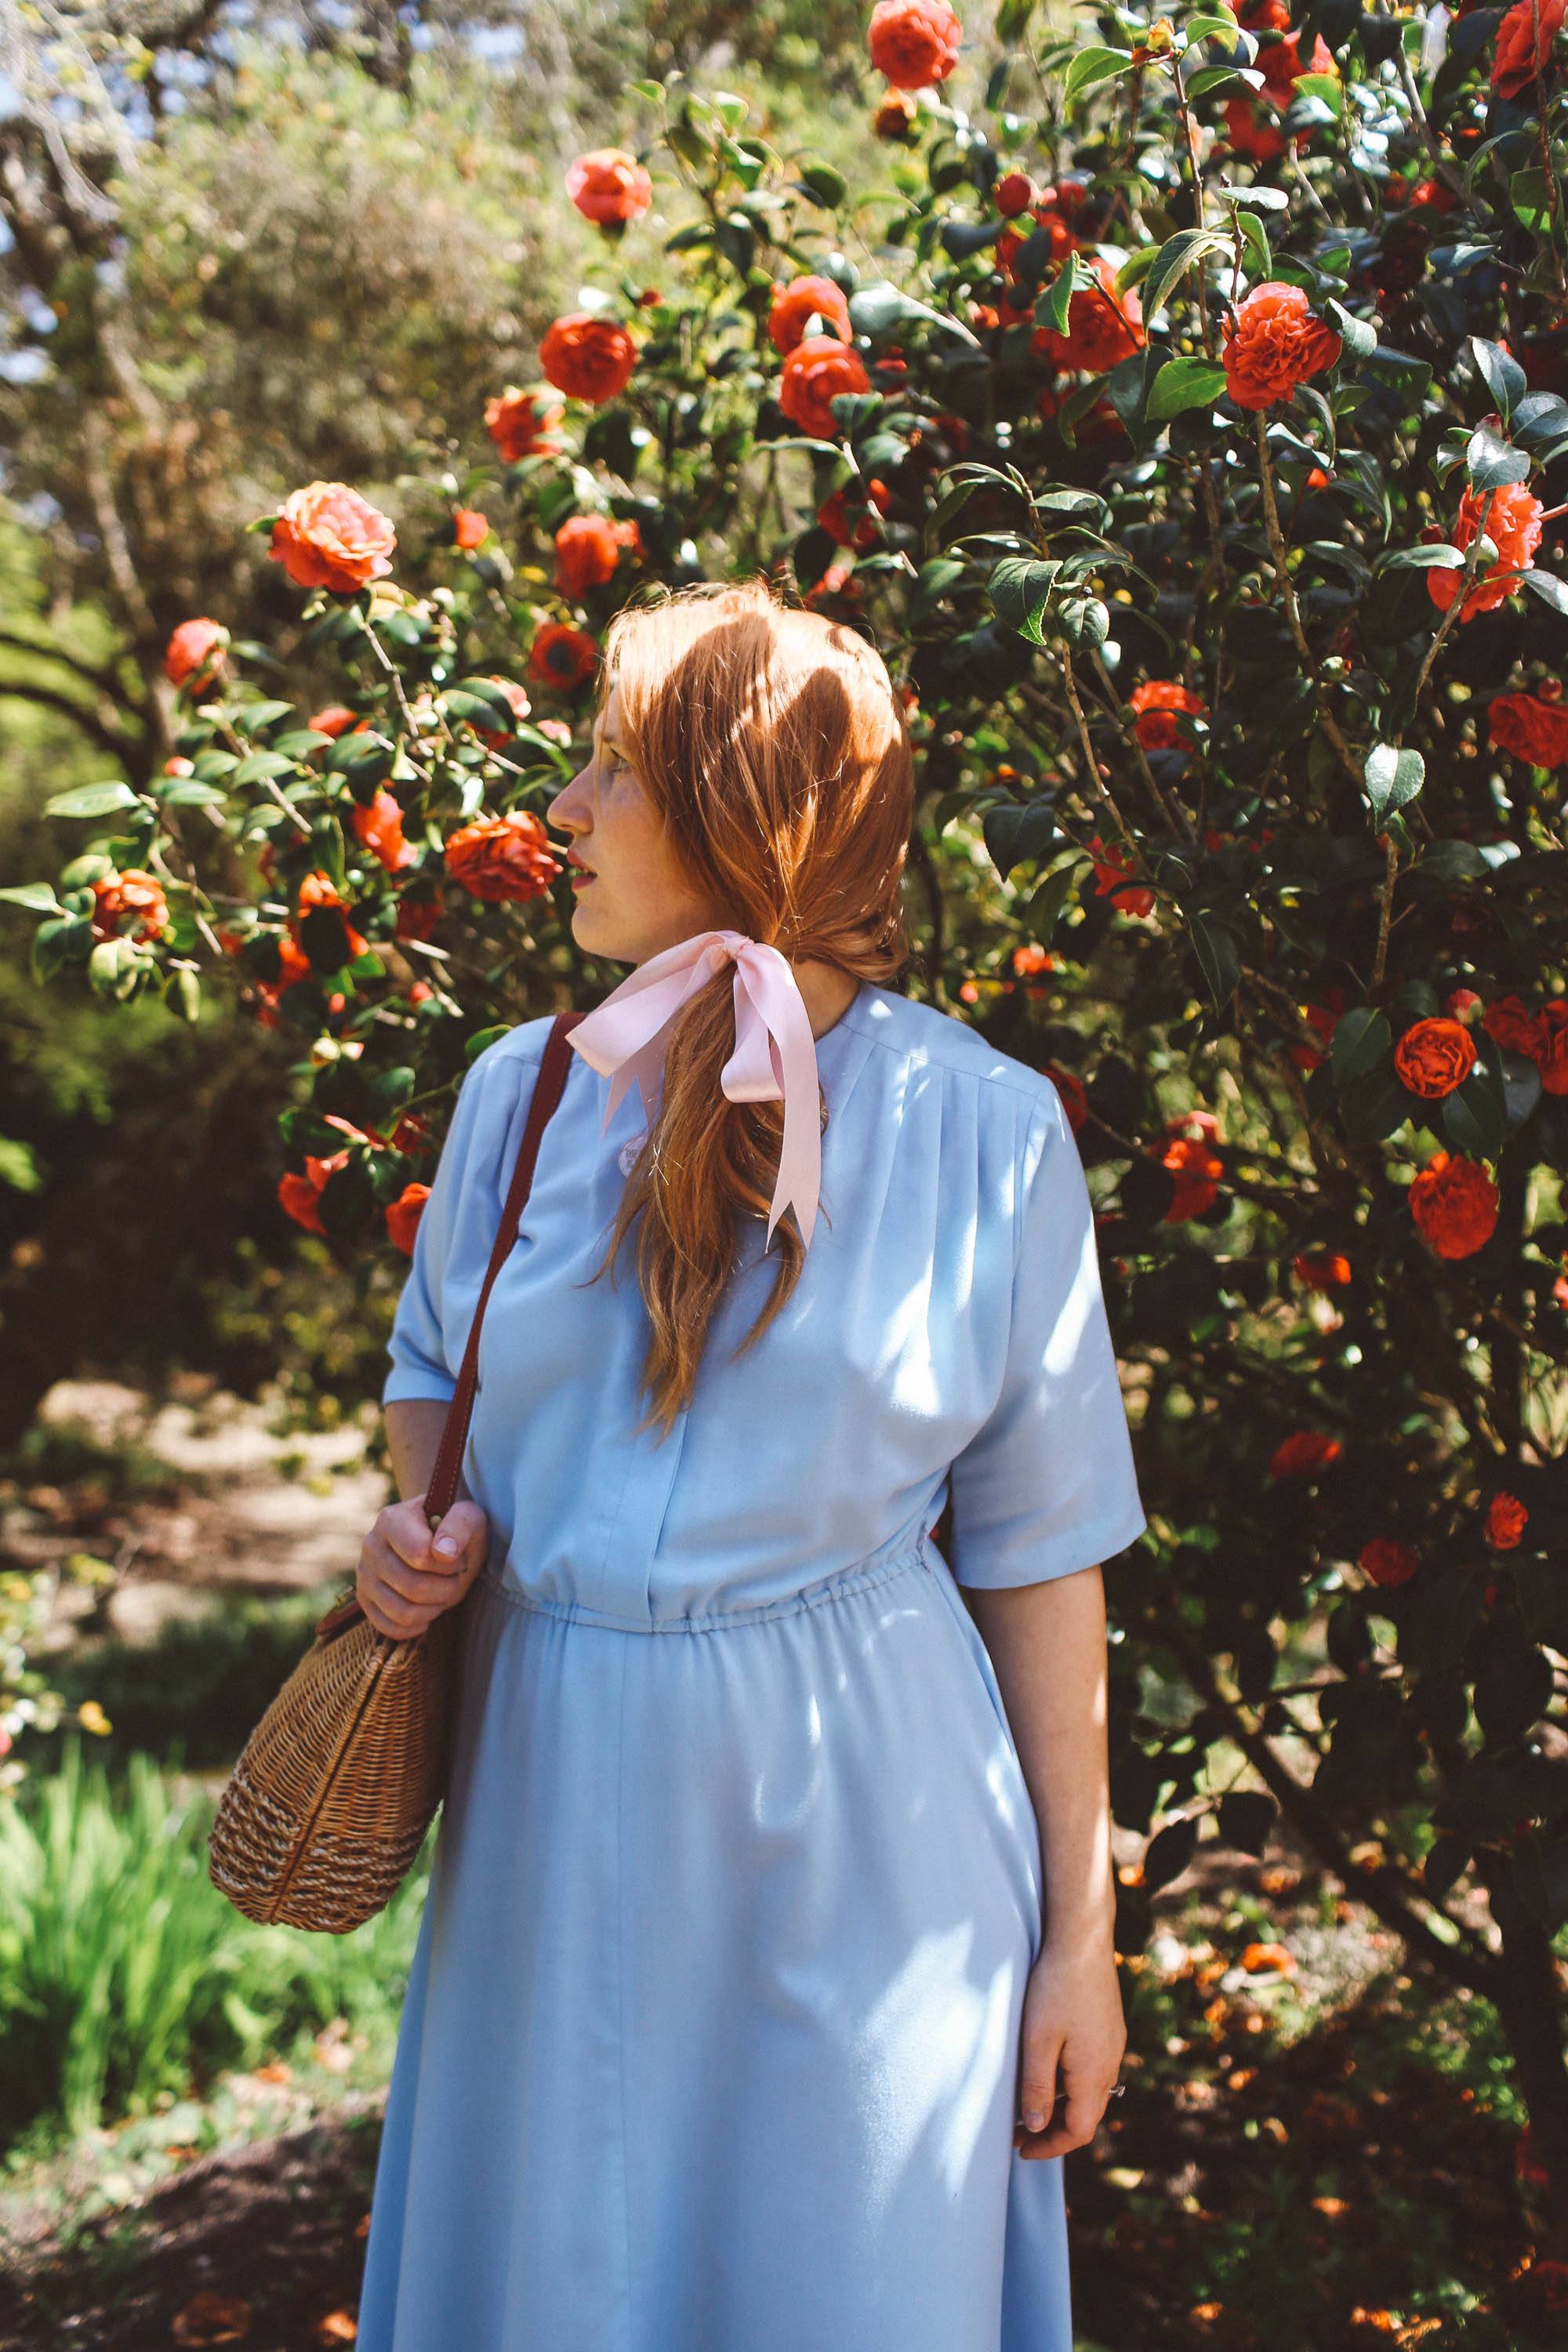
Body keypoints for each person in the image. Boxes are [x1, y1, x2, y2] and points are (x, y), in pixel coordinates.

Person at [353, 575, 1148, 2350]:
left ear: (736, 815)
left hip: (868, 1826)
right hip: (553, 1790)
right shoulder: (522, 1094)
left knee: (839, 2288)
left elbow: (1039, 1552)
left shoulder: (985, 1134)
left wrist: (1073, 1943)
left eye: (610, 769)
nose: (558, 812)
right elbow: (434, 1378)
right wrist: (421, 1526)